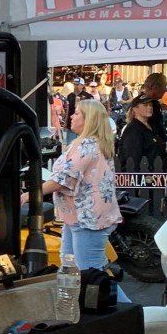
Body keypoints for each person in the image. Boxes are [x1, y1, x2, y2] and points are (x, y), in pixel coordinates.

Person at [47, 100, 121, 297]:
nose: (71, 116)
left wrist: (31, 193)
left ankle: (129, 309)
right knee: (73, 268)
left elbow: (64, 179)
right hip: (78, 217)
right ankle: (73, 307)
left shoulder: (87, 145)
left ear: (89, 120)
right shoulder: (91, 143)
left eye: (77, 113)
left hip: (86, 218)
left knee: (90, 273)